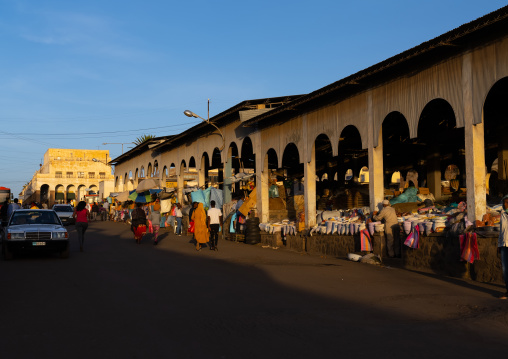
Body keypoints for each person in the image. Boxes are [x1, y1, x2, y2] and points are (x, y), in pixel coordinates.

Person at [497, 195, 508, 299]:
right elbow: (501, 231)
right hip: (504, 245)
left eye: (507, 203)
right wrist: (499, 244)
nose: (505, 205)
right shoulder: (503, 214)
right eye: (504, 203)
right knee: (505, 270)